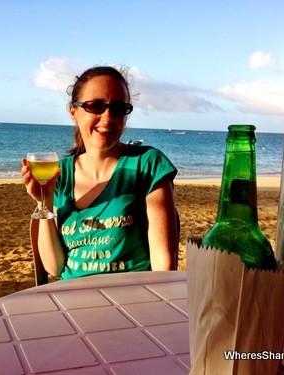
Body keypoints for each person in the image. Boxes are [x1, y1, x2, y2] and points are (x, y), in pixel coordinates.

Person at [22, 65, 179, 280]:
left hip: (133, 298)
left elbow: (164, 266)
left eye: (118, 107)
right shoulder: (61, 172)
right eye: (95, 106)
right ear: (73, 112)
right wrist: (45, 200)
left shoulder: (148, 165)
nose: (108, 117)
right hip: (75, 298)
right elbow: (54, 267)